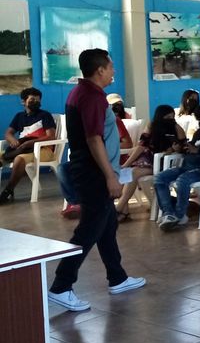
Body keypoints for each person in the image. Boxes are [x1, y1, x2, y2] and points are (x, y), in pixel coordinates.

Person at [47, 49, 145, 312]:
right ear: (100, 70)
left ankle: (117, 277)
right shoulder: (91, 97)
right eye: (111, 67)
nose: (114, 71)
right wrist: (110, 176)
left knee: (107, 225)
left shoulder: (83, 92)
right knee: (89, 229)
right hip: (94, 173)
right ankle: (61, 286)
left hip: (91, 170)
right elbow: (93, 139)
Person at [155, 103, 200, 231]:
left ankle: (179, 215)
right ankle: (168, 213)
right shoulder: (199, 132)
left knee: (182, 180)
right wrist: (182, 149)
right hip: (187, 168)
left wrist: (198, 150)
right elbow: (191, 147)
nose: (199, 122)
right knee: (160, 178)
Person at [115, 105, 185, 222]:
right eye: (167, 117)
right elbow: (141, 146)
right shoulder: (152, 126)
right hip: (148, 160)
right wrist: (126, 164)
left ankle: (118, 209)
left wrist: (174, 149)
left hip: (164, 163)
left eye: (172, 117)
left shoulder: (176, 128)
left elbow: (183, 147)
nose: (170, 120)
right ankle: (124, 211)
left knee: (133, 173)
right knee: (125, 173)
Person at [0, 87, 56, 205]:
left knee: (19, 159)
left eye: (38, 100)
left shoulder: (45, 115)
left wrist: (30, 142)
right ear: (23, 102)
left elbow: (51, 136)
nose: (35, 102)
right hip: (23, 148)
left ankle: (8, 191)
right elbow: (8, 133)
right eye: (32, 100)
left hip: (43, 149)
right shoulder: (19, 116)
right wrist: (13, 140)